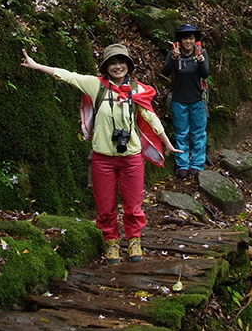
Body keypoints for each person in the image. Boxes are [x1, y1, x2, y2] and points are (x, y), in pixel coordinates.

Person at [20, 43, 179, 265]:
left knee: (133, 206)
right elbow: (69, 76)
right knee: (105, 206)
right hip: (102, 158)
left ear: (128, 65)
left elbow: (151, 117)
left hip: (131, 158)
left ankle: (134, 240)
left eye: (121, 62)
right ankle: (111, 242)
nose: (117, 66)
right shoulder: (96, 85)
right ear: (106, 66)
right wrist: (37, 66)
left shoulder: (137, 90)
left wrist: (167, 144)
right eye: (112, 62)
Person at [161, 23, 210, 179]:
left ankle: (197, 163)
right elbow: (165, 72)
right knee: (181, 133)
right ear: (180, 40)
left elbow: (205, 74)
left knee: (198, 133)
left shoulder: (201, 53)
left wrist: (201, 60)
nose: (188, 41)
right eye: (185, 38)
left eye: (191, 38)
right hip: (179, 99)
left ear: (195, 39)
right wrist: (173, 60)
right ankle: (182, 164)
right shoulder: (173, 54)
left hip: (197, 99)